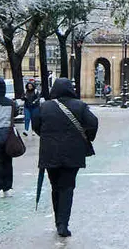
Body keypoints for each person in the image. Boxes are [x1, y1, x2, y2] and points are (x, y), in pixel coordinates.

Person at [36, 78, 98, 237]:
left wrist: (47, 136)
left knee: (55, 186)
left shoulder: (45, 107)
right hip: (73, 153)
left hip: (49, 153)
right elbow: (93, 123)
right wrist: (85, 137)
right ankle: (63, 223)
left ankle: (58, 220)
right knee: (67, 187)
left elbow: (37, 125)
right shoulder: (80, 106)